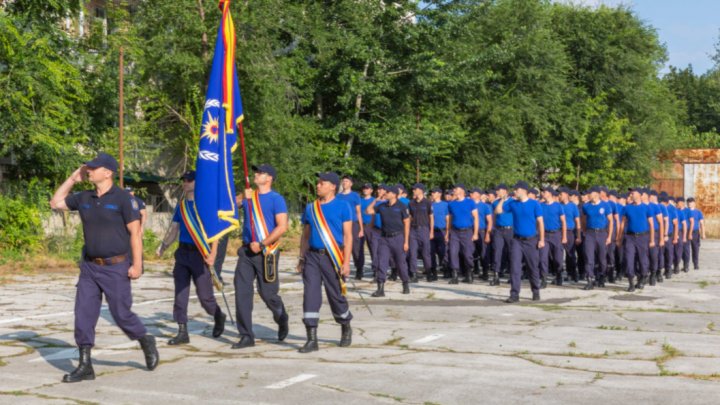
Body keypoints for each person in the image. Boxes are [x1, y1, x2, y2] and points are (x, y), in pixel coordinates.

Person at [49, 152, 159, 383]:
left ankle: (145, 339)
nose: (89, 170)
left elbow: (135, 233)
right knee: (83, 314)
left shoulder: (123, 198)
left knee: (121, 313)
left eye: (94, 168)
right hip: (90, 267)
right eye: (88, 167)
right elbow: (56, 202)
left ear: (107, 172)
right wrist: (72, 179)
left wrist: (138, 264)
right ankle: (85, 365)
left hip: (116, 267)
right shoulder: (84, 197)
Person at [155, 170, 227, 345]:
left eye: (189, 180)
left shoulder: (206, 205)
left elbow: (215, 232)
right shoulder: (181, 206)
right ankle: (182, 331)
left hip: (200, 253)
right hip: (183, 253)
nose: (185, 183)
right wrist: (164, 246)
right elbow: (174, 229)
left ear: (197, 183)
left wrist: (213, 253)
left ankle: (218, 315)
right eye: (184, 180)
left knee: (205, 298)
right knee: (180, 292)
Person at [232, 164, 289, 349]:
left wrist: (263, 243)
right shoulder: (250, 197)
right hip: (247, 251)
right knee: (242, 292)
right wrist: (242, 197)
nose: (256, 175)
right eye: (256, 172)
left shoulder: (276, 199)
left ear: (270, 178)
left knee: (268, 293)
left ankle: (281, 316)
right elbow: (230, 205)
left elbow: (282, 226)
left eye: (261, 173)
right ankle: (246, 335)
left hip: (267, 252)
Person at [296, 172, 353, 353]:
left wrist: (345, 262)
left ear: (333, 186)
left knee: (335, 296)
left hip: (332, 257)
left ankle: (345, 324)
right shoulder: (310, 208)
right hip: (312, 257)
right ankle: (312, 339)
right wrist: (301, 258)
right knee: (310, 295)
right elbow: (305, 235)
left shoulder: (343, 206)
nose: (318, 185)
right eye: (318, 182)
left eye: (322, 183)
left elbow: (348, 236)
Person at [496, 181, 544, 303]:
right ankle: (514, 294)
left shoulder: (534, 204)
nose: (515, 192)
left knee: (532, 267)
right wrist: (502, 199)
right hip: (517, 240)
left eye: (516, 190)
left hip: (531, 240)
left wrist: (541, 239)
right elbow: (498, 211)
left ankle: (535, 290)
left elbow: (540, 223)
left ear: (522, 190)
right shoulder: (512, 203)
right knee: (515, 267)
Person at [367, 185, 411, 296]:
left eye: (387, 192)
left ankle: (405, 283)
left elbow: (406, 223)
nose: (385, 193)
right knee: (382, 262)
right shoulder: (381, 206)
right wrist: (375, 200)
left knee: (401, 263)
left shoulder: (401, 206)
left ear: (394, 194)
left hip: (398, 238)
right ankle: (380, 289)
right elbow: (368, 211)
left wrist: (406, 242)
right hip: (384, 238)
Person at [617, 187, 654, 292]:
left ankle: (642, 277)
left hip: (643, 237)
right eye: (631, 193)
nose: (631, 195)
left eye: (633, 193)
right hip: (630, 237)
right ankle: (631, 283)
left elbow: (651, 224)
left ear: (640, 195)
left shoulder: (647, 208)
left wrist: (652, 240)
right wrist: (619, 238)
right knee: (629, 259)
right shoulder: (627, 208)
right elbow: (622, 223)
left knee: (642, 260)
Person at [581, 186, 613, 290]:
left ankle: (601, 276)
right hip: (590, 233)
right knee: (589, 257)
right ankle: (589, 279)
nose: (588, 195)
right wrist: (584, 231)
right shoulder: (586, 206)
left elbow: (611, 221)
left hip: (602, 233)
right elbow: (583, 219)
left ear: (596, 194)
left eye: (590, 193)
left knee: (602, 258)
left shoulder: (605, 205)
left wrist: (609, 236)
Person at [446, 184, 479, 284]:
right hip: (455, 232)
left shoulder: (470, 202)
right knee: (453, 252)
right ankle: (455, 276)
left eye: (455, 189)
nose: (453, 191)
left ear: (461, 191)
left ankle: (469, 274)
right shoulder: (451, 204)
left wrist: (475, 233)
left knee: (468, 254)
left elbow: (476, 218)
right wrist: (447, 233)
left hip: (467, 231)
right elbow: (449, 219)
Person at [337, 175, 365, 279]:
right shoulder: (338, 196)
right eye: (343, 181)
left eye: (346, 181)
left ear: (351, 184)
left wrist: (361, 228)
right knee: (342, 246)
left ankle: (359, 268)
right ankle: (341, 266)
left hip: (353, 224)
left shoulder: (355, 196)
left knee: (356, 248)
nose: (344, 183)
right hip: (341, 224)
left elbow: (358, 212)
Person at [540, 187, 566, 287]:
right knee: (543, 258)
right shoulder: (540, 205)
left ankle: (559, 275)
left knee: (558, 259)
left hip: (556, 235)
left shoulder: (558, 206)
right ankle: (543, 279)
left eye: (545, 191)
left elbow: (563, 222)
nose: (543, 193)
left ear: (550, 193)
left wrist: (564, 236)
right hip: (544, 235)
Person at [408, 183, 434, 283]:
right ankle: (414, 274)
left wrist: (431, 231)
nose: (413, 190)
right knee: (412, 253)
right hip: (413, 230)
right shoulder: (411, 203)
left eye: (415, 189)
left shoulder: (428, 203)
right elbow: (410, 217)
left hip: (424, 229)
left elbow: (431, 218)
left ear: (421, 190)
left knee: (426, 253)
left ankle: (428, 272)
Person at [491, 184, 513, 285]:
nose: (496, 192)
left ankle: (512, 275)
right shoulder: (495, 202)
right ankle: (496, 275)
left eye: (498, 190)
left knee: (512, 253)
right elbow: (496, 213)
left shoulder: (513, 202)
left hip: (510, 230)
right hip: (499, 230)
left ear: (504, 191)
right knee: (497, 252)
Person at [559, 187, 581, 283]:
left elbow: (577, 221)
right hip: (558, 231)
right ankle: (559, 274)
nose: (559, 196)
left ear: (566, 195)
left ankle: (573, 273)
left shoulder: (573, 206)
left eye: (561, 194)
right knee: (558, 254)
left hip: (569, 232)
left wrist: (578, 235)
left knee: (570, 254)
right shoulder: (558, 205)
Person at [470, 188, 493, 282]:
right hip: (470, 230)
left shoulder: (485, 206)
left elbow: (490, 221)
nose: (470, 194)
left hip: (481, 231)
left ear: (477, 194)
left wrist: (488, 234)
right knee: (471, 252)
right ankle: (472, 271)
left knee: (483, 253)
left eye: (472, 193)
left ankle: (485, 272)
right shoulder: (469, 205)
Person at [429, 187, 447, 282]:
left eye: (434, 192)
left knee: (442, 252)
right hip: (431, 231)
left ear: (439, 194)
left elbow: (448, 219)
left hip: (442, 231)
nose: (432, 194)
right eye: (432, 192)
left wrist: (448, 232)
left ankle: (445, 269)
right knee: (431, 252)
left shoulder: (445, 205)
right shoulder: (430, 204)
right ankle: (433, 272)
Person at [359, 183, 376, 280]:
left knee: (373, 248)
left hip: (371, 227)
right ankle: (360, 270)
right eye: (364, 188)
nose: (365, 190)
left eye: (367, 188)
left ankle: (375, 269)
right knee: (359, 249)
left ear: (371, 190)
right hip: (361, 226)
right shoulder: (359, 200)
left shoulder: (374, 200)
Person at [660, 194, 678, 279]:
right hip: (659, 234)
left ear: (666, 203)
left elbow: (675, 223)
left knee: (668, 253)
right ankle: (660, 269)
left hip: (669, 234)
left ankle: (668, 269)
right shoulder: (659, 207)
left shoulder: (672, 209)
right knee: (660, 253)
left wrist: (675, 237)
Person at [687, 197, 705, 270]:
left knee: (695, 249)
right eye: (688, 202)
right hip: (686, 232)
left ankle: (696, 264)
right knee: (686, 249)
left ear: (694, 203)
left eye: (691, 202)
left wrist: (703, 233)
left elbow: (701, 223)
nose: (689, 204)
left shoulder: (698, 212)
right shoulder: (685, 211)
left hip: (695, 232)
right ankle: (686, 265)